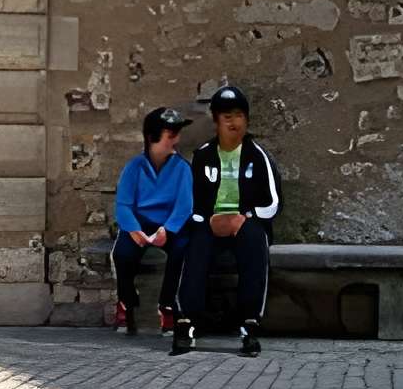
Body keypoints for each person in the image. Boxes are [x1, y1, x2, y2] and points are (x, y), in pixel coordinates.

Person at [171, 82, 280, 358]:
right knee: (192, 247)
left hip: (246, 221)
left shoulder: (258, 156)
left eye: (239, 116)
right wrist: (206, 221)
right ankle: (187, 322)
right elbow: (191, 203)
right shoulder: (204, 155)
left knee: (256, 245)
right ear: (217, 121)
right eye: (227, 117)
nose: (234, 123)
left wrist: (246, 217)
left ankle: (250, 324)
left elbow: (273, 203)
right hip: (210, 222)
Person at [111, 106, 193, 335]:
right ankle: (126, 302)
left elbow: (184, 206)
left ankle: (167, 304)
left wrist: (167, 230)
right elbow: (124, 205)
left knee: (182, 250)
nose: (176, 139)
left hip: (169, 224)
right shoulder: (134, 167)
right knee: (122, 254)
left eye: (176, 134)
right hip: (140, 222)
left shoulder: (182, 168)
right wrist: (134, 230)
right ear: (152, 137)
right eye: (170, 135)